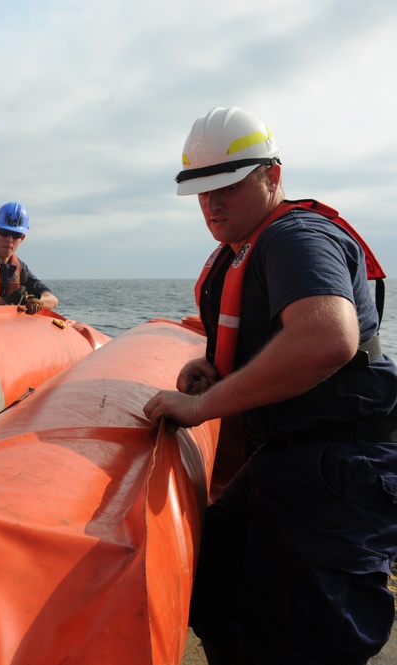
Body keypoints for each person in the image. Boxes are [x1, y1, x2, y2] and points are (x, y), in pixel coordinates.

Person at [142, 106, 397, 664]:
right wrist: (217, 368)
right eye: (202, 192)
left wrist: (202, 405)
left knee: (306, 639)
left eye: (227, 187)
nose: (212, 204)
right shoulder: (245, 250)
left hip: (338, 469)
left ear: (272, 176)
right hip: (286, 459)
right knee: (219, 595)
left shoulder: (295, 237)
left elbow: (327, 337)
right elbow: (276, 344)